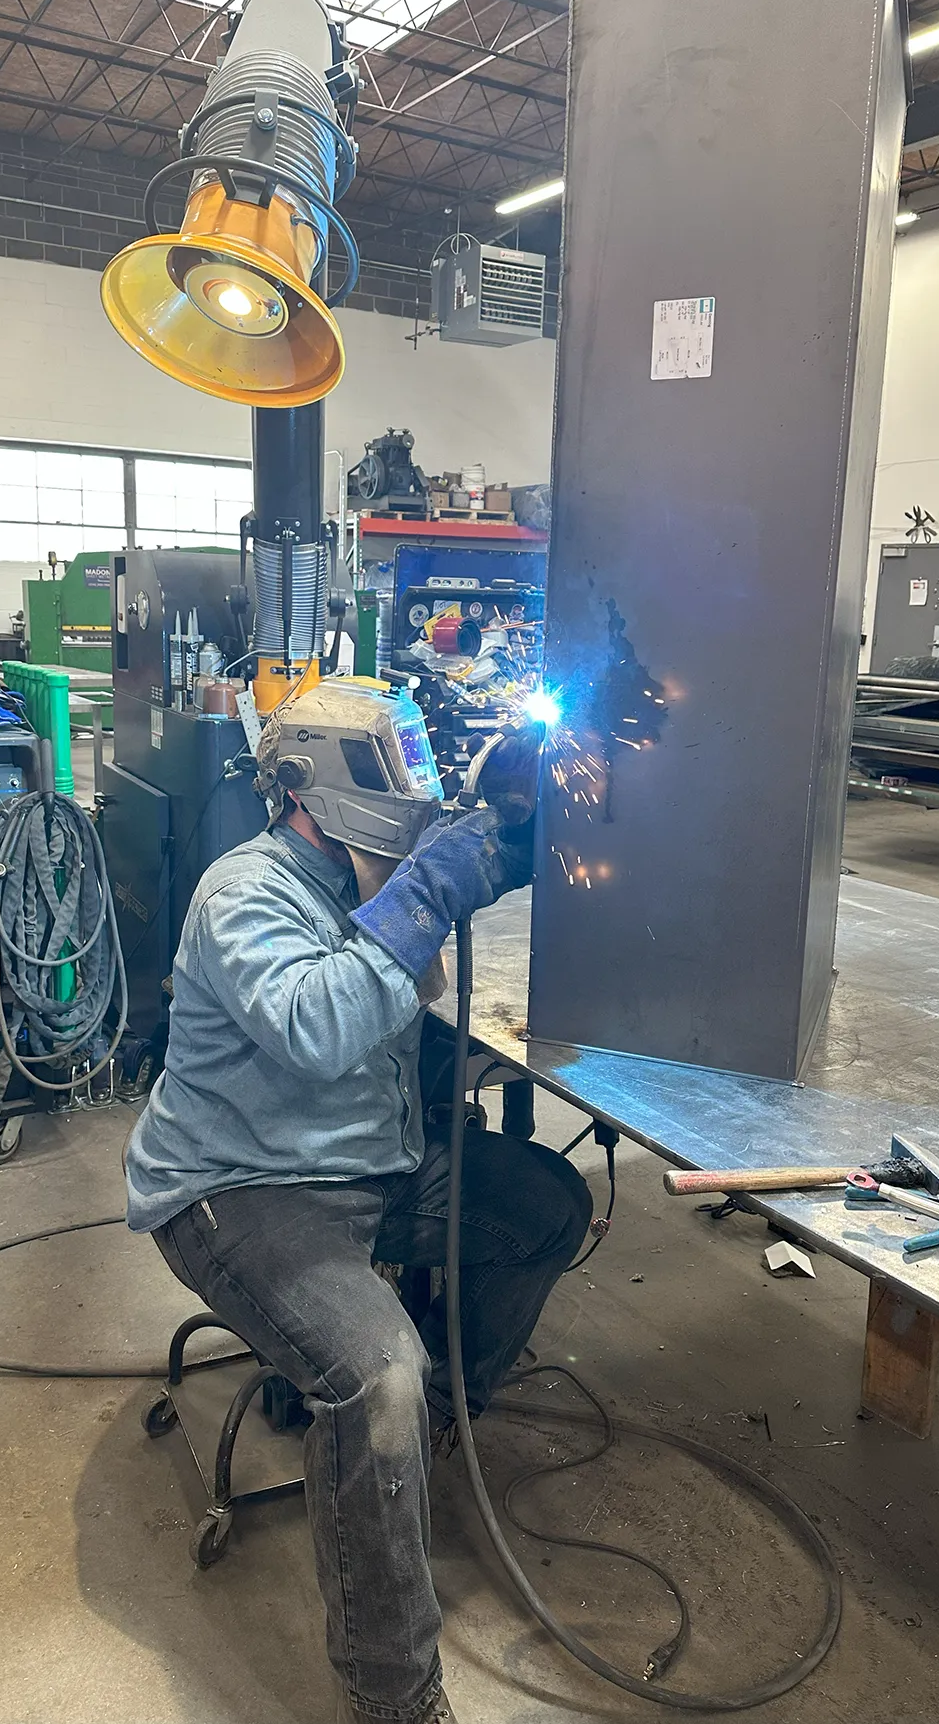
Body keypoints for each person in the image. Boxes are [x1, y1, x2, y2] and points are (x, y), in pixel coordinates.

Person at [125, 680, 592, 1724]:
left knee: (547, 1206)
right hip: (238, 1190)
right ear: (311, 789)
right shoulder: (245, 893)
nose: (416, 791)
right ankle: (396, 1698)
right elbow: (318, 1026)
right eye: (398, 772)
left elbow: (453, 903)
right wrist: (427, 893)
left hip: (373, 1165)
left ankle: (438, 1420)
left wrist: (523, 831)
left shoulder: (374, 870)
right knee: (376, 1374)